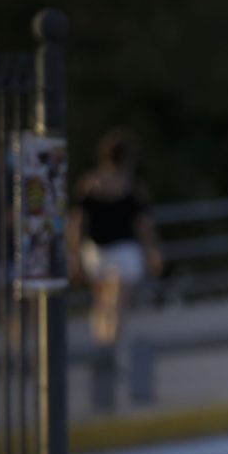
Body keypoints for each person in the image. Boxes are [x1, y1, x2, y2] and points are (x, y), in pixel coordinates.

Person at [66, 128, 164, 349]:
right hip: (123, 251)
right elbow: (144, 225)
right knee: (116, 303)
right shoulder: (132, 186)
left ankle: (103, 346)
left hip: (96, 250)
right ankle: (108, 347)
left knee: (102, 303)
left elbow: (77, 223)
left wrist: (74, 254)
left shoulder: (89, 184)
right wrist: (153, 251)